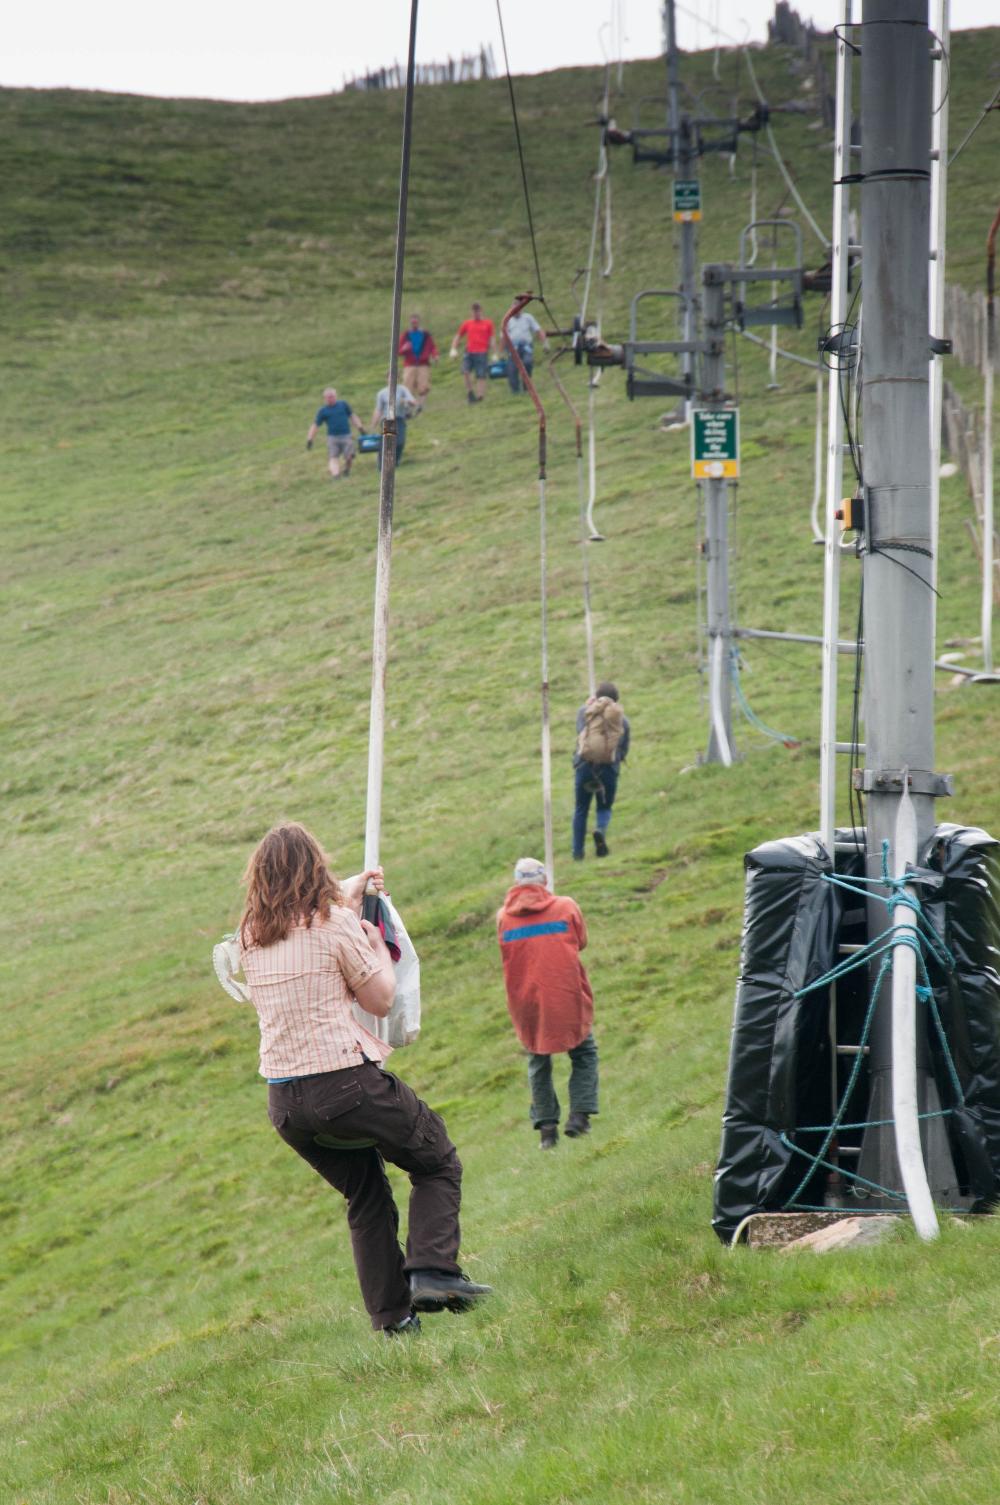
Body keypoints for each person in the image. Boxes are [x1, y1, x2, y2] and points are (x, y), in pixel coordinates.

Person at [237, 822, 490, 1336]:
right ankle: (434, 1271)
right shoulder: (335, 927)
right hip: (345, 1084)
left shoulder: (248, 939)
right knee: (435, 1158)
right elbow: (380, 1000)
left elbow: (302, 934)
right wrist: (375, 948)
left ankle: (393, 1320)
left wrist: (348, 897)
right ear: (316, 868)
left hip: (286, 1103)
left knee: (366, 1195)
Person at [497, 857, 599, 1150]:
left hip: (526, 1000)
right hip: (564, 993)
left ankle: (547, 1131)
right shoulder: (565, 906)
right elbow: (581, 941)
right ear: (544, 881)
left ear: (517, 882)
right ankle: (579, 1116)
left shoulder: (504, 916)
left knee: (537, 1060)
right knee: (584, 1051)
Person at [572, 681, 630, 861]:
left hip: (585, 766)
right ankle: (600, 830)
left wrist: (587, 705)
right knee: (604, 806)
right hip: (608, 769)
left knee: (581, 808)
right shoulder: (622, 719)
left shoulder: (585, 712)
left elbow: (580, 732)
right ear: (616, 700)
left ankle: (578, 852)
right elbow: (624, 747)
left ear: (596, 697)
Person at [306, 387, 364, 479]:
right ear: (324, 398)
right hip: (332, 438)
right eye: (328, 397)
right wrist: (310, 439)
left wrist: (360, 428)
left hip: (346, 436)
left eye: (332, 396)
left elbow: (353, 416)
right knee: (333, 457)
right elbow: (315, 425)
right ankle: (336, 475)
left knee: (349, 457)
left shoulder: (343, 405)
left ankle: (347, 470)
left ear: (336, 396)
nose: (330, 398)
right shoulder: (323, 411)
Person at [449, 301, 496, 404]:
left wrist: (494, 353)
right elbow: (458, 336)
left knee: (481, 375)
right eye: (474, 311)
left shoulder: (488, 323)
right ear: (471, 312)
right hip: (469, 352)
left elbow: (492, 338)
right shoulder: (467, 323)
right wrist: (453, 348)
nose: (476, 313)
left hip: (482, 352)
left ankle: (480, 396)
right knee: (465, 371)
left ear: (481, 311)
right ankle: (470, 393)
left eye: (477, 310)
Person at [371, 381, 419, 472]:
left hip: (399, 419)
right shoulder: (382, 393)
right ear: (387, 379)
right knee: (387, 442)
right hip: (387, 420)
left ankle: (395, 462)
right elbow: (378, 409)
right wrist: (374, 423)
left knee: (400, 442)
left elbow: (413, 402)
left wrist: (406, 401)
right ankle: (382, 466)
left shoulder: (403, 389)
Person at [398, 314, 438, 408]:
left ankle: (420, 406)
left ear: (418, 322)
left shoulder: (425, 334)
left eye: (415, 322)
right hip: (409, 364)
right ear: (410, 323)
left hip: (423, 363)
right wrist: (404, 349)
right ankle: (408, 407)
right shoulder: (406, 335)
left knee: (423, 386)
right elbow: (398, 351)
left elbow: (432, 347)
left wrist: (435, 355)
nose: (414, 324)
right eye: (412, 322)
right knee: (407, 385)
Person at [503, 307, 547, 394]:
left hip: (526, 346)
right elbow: (503, 336)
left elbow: (538, 330)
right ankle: (515, 391)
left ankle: (526, 386)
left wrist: (545, 343)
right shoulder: (508, 320)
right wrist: (501, 351)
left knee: (527, 362)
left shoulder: (528, 317)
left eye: (518, 310)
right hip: (513, 348)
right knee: (512, 369)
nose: (516, 312)